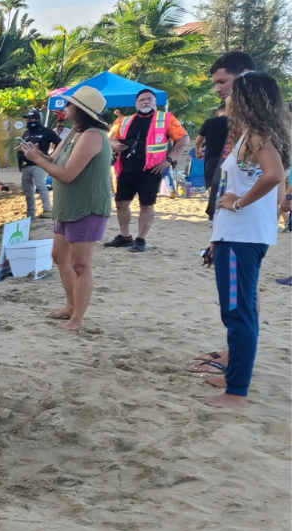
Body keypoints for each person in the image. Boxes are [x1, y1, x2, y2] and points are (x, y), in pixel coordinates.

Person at [199, 72, 290, 408]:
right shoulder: (251, 135)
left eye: (232, 91)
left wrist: (238, 203)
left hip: (242, 238)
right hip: (238, 236)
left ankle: (236, 391)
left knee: (239, 314)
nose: (227, 96)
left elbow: (275, 176)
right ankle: (233, 375)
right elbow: (278, 192)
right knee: (239, 311)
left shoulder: (257, 135)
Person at [20, 86, 113, 331]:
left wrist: (38, 160)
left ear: (81, 110)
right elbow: (55, 161)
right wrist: (38, 154)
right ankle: (71, 307)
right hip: (69, 206)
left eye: (70, 105)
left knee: (81, 264)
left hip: (86, 206)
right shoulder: (75, 132)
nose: (65, 108)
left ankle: (78, 317)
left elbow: (68, 174)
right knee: (59, 256)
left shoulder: (93, 135)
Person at [187, 51, 257, 373]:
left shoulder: (257, 124)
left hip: (243, 229)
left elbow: (270, 173)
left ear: (243, 76)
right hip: (233, 224)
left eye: (222, 82)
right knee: (241, 298)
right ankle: (233, 354)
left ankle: (236, 368)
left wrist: (238, 205)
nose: (217, 89)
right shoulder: (240, 120)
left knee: (238, 302)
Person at [106, 89, 190, 252]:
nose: (145, 102)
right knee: (121, 203)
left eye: (149, 99)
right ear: (136, 104)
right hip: (125, 169)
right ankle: (125, 237)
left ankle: (141, 239)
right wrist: (113, 143)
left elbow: (183, 138)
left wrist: (169, 159)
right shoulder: (124, 120)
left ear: (154, 102)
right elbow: (109, 137)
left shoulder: (166, 118)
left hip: (151, 170)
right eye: (142, 100)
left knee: (146, 205)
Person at [17, 109, 61, 219]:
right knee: (27, 190)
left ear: (37, 119)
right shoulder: (26, 133)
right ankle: (30, 213)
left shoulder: (47, 132)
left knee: (41, 186)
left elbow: (60, 143)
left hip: (39, 164)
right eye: (27, 119)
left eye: (31, 119)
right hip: (26, 165)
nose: (29, 121)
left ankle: (47, 209)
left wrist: (51, 156)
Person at [196, 102, 228, 220]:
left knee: (211, 184)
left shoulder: (209, 122)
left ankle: (213, 210)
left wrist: (198, 151)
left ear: (218, 112)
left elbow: (198, 141)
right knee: (227, 184)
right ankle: (221, 210)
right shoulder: (235, 123)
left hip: (212, 158)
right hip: (228, 158)